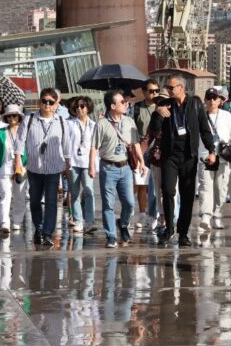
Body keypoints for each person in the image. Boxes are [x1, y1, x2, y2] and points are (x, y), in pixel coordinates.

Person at [149, 74, 215, 247]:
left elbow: (204, 129)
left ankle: (183, 233)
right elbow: (154, 129)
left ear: (181, 88)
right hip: (169, 156)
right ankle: (169, 229)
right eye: (167, 88)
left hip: (189, 157)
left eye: (171, 88)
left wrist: (212, 150)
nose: (168, 91)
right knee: (168, 191)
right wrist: (157, 114)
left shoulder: (195, 104)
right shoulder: (164, 105)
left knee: (187, 196)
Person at [90, 90, 143, 248]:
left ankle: (124, 224)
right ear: (112, 106)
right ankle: (111, 236)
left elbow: (136, 143)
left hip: (125, 168)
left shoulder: (129, 121)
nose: (125, 104)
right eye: (122, 102)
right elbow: (94, 147)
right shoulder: (102, 124)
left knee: (129, 203)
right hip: (108, 168)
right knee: (108, 204)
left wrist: (141, 162)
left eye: (125, 102)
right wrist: (91, 166)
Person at [24, 87, 71, 246]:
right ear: (40, 101)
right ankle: (38, 226)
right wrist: (18, 161)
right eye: (44, 101)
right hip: (34, 167)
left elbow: (66, 145)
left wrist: (67, 164)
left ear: (56, 103)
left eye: (51, 102)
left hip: (53, 167)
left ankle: (48, 232)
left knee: (51, 201)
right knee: (35, 200)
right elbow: (19, 142)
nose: (47, 105)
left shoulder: (62, 122)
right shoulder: (29, 119)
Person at [0, 103, 29, 235]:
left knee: (19, 196)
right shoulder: (1, 132)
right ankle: (4, 222)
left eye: (14, 115)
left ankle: (18, 221)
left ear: (19, 117)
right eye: (8, 116)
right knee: (5, 195)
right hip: (5, 167)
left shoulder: (24, 131)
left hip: (21, 167)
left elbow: (30, 148)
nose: (11, 118)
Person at [199, 87, 231, 233]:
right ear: (205, 100)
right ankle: (205, 216)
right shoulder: (200, 115)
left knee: (221, 189)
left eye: (214, 98)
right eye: (208, 98)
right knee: (205, 188)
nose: (211, 101)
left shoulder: (227, 115)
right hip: (204, 156)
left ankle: (217, 214)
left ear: (219, 100)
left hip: (223, 156)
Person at [131, 80, 160, 232]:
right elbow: (132, 128)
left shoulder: (161, 107)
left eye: (156, 91)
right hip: (141, 147)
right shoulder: (137, 107)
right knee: (141, 183)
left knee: (154, 185)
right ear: (144, 92)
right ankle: (142, 213)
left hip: (157, 148)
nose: (154, 94)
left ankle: (153, 214)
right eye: (151, 91)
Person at [67, 96, 97, 236]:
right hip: (73, 162)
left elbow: (95, 146)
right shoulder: (70, 124)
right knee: (74, 193)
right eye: (77, 106)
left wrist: (93, 165)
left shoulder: (94, 125)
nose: (79, 109)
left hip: (87, 163)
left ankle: (89, 221)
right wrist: (66, 163)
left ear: (88, 108)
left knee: (89, 191)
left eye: (82, 106)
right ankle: (78, 220)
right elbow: (66, 144)